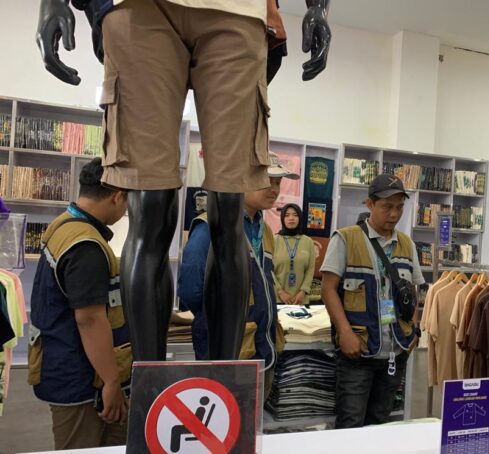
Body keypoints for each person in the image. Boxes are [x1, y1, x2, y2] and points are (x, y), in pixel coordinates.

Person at [36, 0, 331, 362]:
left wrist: (319, 7)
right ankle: (150, 382)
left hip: (240, 9)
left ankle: (223, 377)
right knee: (151, 215)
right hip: (137, 8)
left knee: (229, 214)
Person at [28, 158, 131, 450]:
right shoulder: (86, 246)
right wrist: (111, 381)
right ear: (117, 196)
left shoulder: (64, 224)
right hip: (82, 381)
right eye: (127, 202)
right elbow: (89, 319)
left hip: (66, 364)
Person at [178, 154, 299, 398]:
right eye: (268, 181)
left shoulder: (264, 229)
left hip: (262, 348)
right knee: (222, 413)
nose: (275, 189)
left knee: (253, 417)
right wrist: (217, 320)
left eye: (278, 182)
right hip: (226, 352)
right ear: (244, 178)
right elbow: (191, 291)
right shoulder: (211, 226)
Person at [320, 174, 425, 429]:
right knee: (350, 423)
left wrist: (414, 329)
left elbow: (413, 290)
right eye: (387, 206)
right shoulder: (345, 239)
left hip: (395, 351)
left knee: (380, 424)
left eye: (399, 207)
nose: (394, 214)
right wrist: (345, 333)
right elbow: (328, 289)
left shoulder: (407, 244)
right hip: (359, 350)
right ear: (370, 204)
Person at [274, 203, 315, 305]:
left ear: (300, 218)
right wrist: (280, 291)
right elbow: (268, 269)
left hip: (301, 299)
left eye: (295, 215)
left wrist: (303, 291)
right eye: (287, 215)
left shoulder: (308, 241)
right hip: (278, 298)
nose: (291, 218)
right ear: (282, 219)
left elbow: (310, 269)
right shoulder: (274, 240)